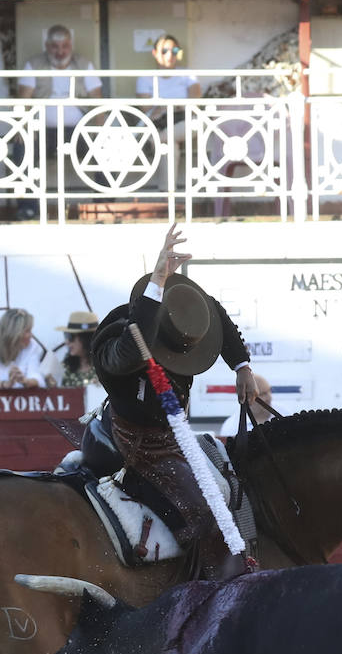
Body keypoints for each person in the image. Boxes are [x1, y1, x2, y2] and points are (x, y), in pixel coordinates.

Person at [92, 223, 257, 579]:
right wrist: (157, 280)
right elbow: (128, 354)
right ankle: (197, 588)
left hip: (169, 435)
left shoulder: (176, 323)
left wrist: (241, 365)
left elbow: (216, 316)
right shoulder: (120, 342)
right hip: (138, 441)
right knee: (204, 514)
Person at [16, 24, 103, 218]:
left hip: (78, 131)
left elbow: (98, 101)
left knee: (104, 147)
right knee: (23, 148)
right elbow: (24, 101)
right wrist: (22, 128)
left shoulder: (84, 64)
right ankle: (27, 207)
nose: (60, 51)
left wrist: (100, 131)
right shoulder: (34, 64)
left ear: (70, 45)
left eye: (64, 45)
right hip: (43, 130)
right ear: (47, 46)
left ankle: (105, 204)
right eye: (55, 46)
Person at [136, 34, 201, 189]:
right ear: (155, 53)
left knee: (193, 126)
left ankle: (155, 140)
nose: (170, 55)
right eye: (165, 51)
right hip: (161, 123)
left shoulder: (187, 74)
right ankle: (168, 195)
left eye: (174, 50)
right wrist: (176, 105)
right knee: (169, 145)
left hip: (184, 121)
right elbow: (145, 108)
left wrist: (165, 106)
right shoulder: (145, 78)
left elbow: (195, 101)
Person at [0, 308, 47, 389]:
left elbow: (36, 376)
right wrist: (6, 384)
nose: (31, 335)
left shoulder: (32, 346)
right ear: (15, 334)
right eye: (27, 331)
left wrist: (25, 381)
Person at [47, 309, 100, 387]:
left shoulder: (105, 365)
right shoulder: (65, 366)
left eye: (70, 337)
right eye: (66, 335)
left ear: (85, 339)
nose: (67, 342)